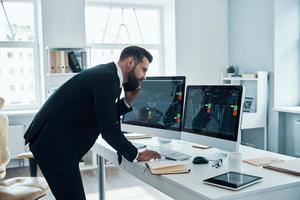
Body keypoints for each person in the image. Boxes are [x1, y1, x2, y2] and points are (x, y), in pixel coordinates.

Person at [24, 46, 161, 200]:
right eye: (144, 69)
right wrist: (137, 154)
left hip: (51, 142)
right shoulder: (108, 79)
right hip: (54, 147)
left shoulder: (107, 74)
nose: (144, 76)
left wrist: (127, 101)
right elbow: (108, 129)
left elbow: (101, 114)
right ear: (130, 62)